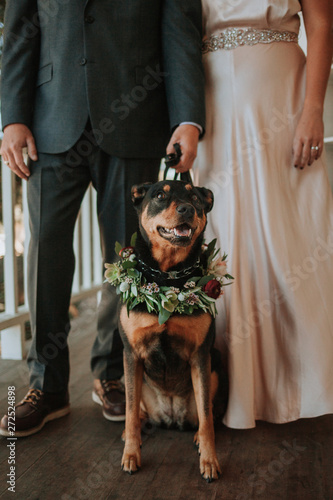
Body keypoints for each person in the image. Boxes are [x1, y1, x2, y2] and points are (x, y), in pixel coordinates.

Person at [0, 0, 205, 437]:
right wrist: (12, 117)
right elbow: (20, 31)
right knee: (46, 255)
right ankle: (47, 387)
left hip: (135, 120)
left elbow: (179, 30)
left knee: (128, 260)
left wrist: (188, 117)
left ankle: (111, 373)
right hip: (50, 120)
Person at [195, 0, 333, 428]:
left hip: (281, 92)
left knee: (291, 231)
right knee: (225, 233)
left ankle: (308, 378)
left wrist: (314, 109)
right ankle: (233, 387)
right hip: (210, 98)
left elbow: (323, 21)